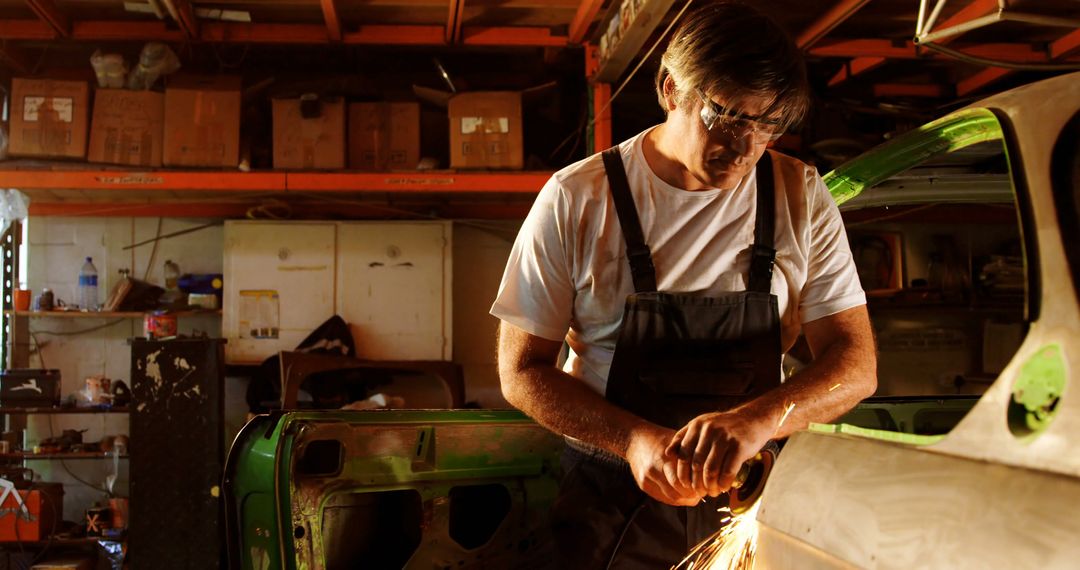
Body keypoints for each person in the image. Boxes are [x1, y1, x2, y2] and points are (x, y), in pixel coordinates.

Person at [491, 1, 878, 567]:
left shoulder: (800, 195)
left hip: (752, 494)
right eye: (727, 117)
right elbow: (521, 373)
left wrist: (762, 417)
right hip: (611, 500)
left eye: (769, 125)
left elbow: (855, 365)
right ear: (671, 89)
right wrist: (632, 440)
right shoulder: (578, 198)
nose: (746, 148)